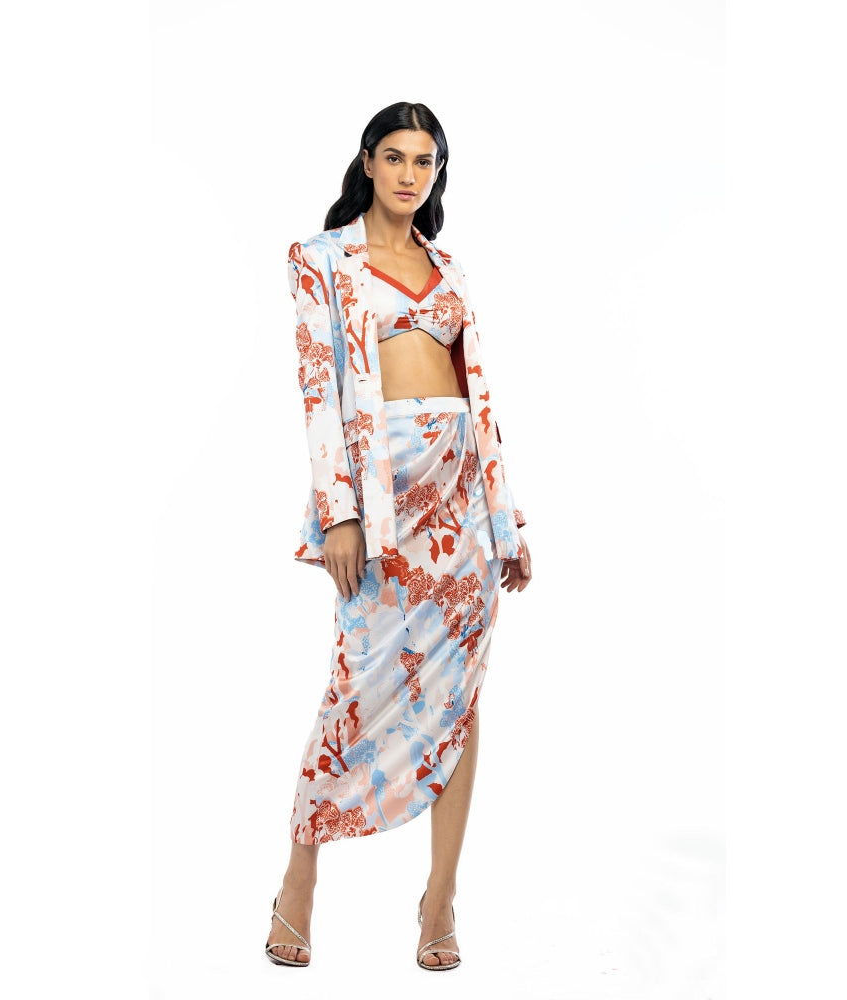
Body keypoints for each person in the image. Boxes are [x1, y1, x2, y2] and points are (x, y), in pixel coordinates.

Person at [265, 101, 532, 972]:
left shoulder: (446, 266)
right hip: (380, 506)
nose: (410, 174)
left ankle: (440, 899)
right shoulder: (322, 259)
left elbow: (479, 398)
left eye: (426, 161)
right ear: (368, 163)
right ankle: (298, 881)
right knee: (354, 687)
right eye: (395, 157)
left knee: (459, 697)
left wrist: (506, 517)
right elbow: (320, 388)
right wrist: (338, 513)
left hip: (461, 501)